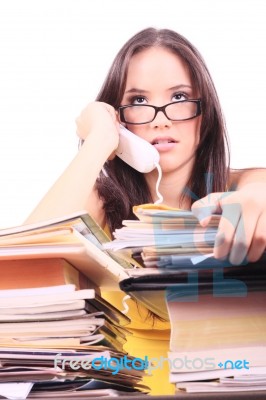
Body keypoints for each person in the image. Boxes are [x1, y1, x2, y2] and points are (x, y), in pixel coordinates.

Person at [26, 27, 266, 394]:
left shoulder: (243, 186)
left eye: (180, 96)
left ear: (207, 114)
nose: (160, 118)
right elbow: (20, 269)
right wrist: (99, 141)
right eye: (138, 100)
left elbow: (259, 190)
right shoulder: (97, 205)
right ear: (119, 117)